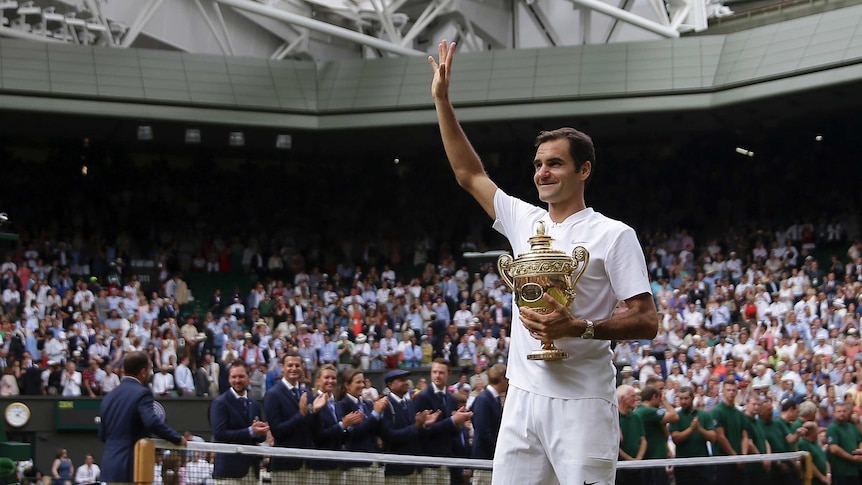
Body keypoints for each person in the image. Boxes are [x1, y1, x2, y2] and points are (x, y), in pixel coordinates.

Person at [429, 40, 658, 485]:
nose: (542, 173)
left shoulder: (614, 234)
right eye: (538, 165)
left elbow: (646, 321)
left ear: (584, 170)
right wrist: (442, 101)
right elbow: (469, 173)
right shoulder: (523, 220)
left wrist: (578, 327)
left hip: (584, 403)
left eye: (555, 163)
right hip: (523, 397)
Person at [98, 351, 187, 483]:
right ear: (143, 371)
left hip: (109, 470)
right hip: (131, 470)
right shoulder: (142, 393)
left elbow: (102, 435)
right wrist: (177, 438)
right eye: (150, 369)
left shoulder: (109, 397)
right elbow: (151, 422)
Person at [264, 352, 327, 483]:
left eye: (297, 365)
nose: (294, 368)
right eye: (290, 365)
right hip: (285, 466)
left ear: (303, 367)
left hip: (307, 464)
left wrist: (315, 411)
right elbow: (277, 431)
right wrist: (301, 415)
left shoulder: (308, 394)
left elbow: (315, 431)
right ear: (282, 367)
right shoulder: (273, 394)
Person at [412, 358, 474, 485]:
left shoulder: (451, 399)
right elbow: (422, 431)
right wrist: (452, 421)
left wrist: (457, 424)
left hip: (446, 462)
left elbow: (451, 432)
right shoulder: (422, 398)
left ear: (449, 374)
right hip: (428, 462)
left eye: (441, 372)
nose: (437, 375)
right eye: (434, 372)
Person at [209, 360, 269, 485]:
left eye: (241, 376)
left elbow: (260, 437)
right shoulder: (220, 403)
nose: (237, 380)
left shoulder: (255, 404)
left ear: (249, 377)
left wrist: (261, 432)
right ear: (229, 379)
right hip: (229, 473)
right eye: (234, 377)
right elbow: (220, 434)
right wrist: (250, 431)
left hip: (252, 472)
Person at [380, 369, 439, 483]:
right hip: (396, 470)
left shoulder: (410, 403)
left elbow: (415, 433)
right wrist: (416, 426)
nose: (406, 382)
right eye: (401, 380)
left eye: (406, 380)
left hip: (414, 468)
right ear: (390, 385)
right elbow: (390, 436)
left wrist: (424, 425)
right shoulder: (385, 405)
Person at [340, 368, 389, 482]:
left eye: (363, 382)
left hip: (376, 463)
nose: (362, 385)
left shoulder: (368, 404)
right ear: (347, 385)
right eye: (358, 382)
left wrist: (381, 412)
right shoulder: (342, 405)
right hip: (358, 466)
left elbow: (377, 429)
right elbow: (354, 434)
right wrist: (375, 413)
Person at [669, 386, 716, 485]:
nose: (683, 401)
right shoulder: (676, 416)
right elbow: (675, 438)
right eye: (681, 399)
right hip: (683, 465)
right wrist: (691, 429)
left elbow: (713, 437)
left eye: (686, 398)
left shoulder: (704, 415)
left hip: (702, 464)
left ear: (692, 398)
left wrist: (699, 429)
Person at [470, 363, 507, 485]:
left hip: (491, 460)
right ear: (502, 379)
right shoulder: (484, 399)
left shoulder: (493, 398)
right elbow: (483, 432)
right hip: (484, 461)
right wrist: (498, 451)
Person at [634, 386, 679, 485]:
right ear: (654, 397)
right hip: (653, 459)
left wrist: (667, 449)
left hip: (655, 458)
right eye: (659, 399)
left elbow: (665, 435)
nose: (660, 402)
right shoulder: (647, 411)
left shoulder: (643, 411)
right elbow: (675, 416)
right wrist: (665, 401)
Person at [710, 379, 748, 483]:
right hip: (723, 461)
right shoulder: (717, 411)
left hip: (739, 461)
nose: (731, 392)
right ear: (723, 391)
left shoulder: (739, 413)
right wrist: (735, 457)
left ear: (736, 392)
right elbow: (720, 437)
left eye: (733, 390)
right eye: (728, 390)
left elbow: (744, 436)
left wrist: (743, 456)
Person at [826, 400, 862, 485]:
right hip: (841, 472)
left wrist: (860, 452)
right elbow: (834, 449)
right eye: (839, 411)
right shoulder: (832, 428)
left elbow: (860, 441)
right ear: (834, 413)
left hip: (854, 470)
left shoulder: (851, 426)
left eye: (844, 411)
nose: (842, 413)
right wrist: (852, 458)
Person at [616, 384, 646, 485]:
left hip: (638, 469)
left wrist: (638, 460)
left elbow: (643, 440)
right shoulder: (614, 418)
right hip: (620, 470)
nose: (636, 398)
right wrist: (629, 460)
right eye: (633, 396)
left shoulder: (636, 417)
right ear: (623, 398)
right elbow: (614, 445)